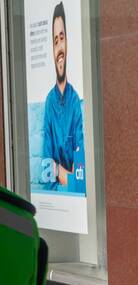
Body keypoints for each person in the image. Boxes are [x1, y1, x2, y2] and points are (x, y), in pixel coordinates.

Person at [40, 3, 85, 191]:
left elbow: (79, 178)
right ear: (52, 48)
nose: (59, 46)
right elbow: (46, 170)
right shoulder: (49, 103)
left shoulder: (75, 104)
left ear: (67, 43)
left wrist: (58, 170)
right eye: (55, 41)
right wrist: (61, 172)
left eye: (62, 38)